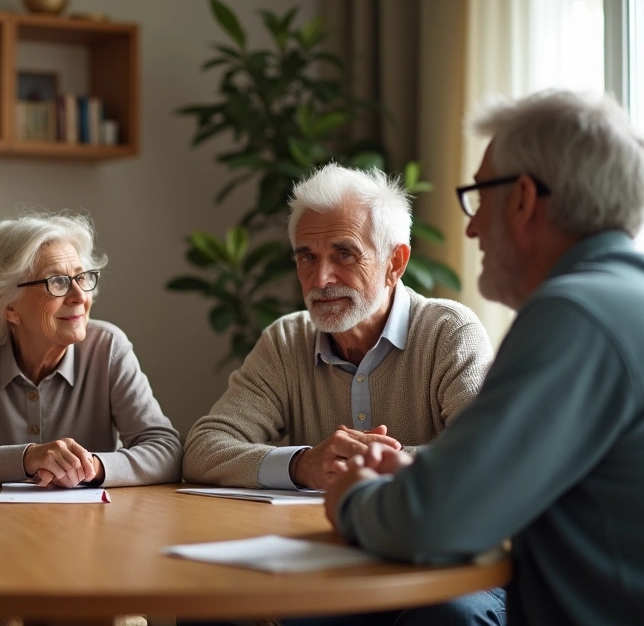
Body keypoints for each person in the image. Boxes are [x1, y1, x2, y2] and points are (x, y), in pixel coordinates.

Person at [327, 90, 644, 623]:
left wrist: (352, 497)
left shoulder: (575, 314)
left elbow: (432, 522)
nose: (471, 227)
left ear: (522, 199)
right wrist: (430, 475)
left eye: (479, 196)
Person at [182, 163, 502, 625]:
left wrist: (361, 466)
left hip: (440, 562)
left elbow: (482, 458)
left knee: (449, 616)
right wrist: (302, 463)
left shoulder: (449, 332)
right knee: (211, 599)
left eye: (344, 254)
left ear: (395, 263)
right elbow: (204, 447)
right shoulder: (285, 340)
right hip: (331, 561)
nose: (321, 278)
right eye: (306, 257)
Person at [0, 212, 182, 488]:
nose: (79, 297)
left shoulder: (108, 347)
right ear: (9, 306)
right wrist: (27, 458)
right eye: (58, 282)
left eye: (81, 278)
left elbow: (166, 451)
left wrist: (92, 467)